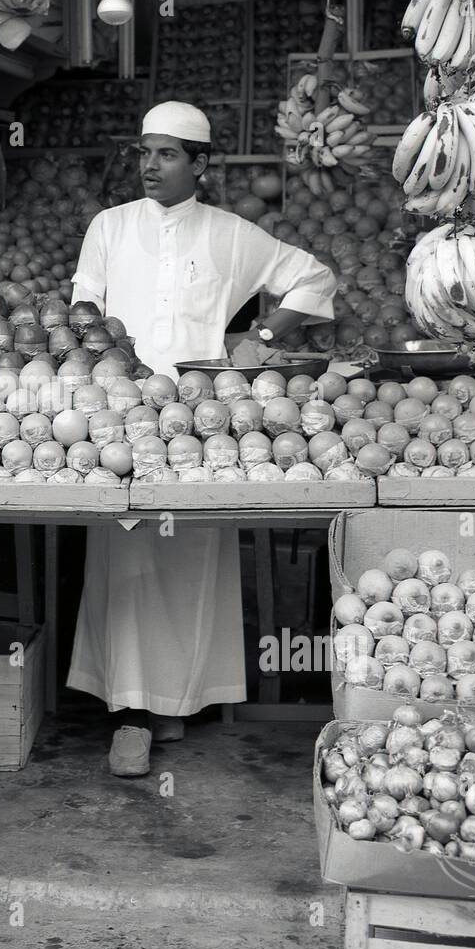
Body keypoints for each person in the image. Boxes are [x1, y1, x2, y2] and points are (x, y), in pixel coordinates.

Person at [68, 101, 337, 777]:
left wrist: (262, 339)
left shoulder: (230, 234)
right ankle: (129, 710)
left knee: (191, 559)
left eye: (166, 153)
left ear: (201, 165)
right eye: (144, 152)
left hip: (199, 422)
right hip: (120, 416)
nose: (149, 164)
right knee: (126, 556)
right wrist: (93, 348)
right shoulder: (109, 226)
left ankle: (178, 704)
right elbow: (82, 305)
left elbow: (315, 277)